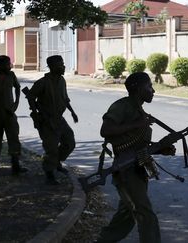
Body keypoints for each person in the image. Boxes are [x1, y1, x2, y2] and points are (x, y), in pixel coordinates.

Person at [95, 72, 176, 243]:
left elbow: (136, 144)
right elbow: (106, 130)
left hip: (137, 169)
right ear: (138, 89)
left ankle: (103, 240)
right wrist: (137, 124)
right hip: (125, 170)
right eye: (149, 86)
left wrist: (162, 149)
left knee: (127, 215)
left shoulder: (139, 110)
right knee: (145, 214)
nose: (153, 90)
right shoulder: (122, 106)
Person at [25, 55, 78, 185]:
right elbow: (31, 97)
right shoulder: (42, 82)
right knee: (51, 148)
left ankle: (57, 162)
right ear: (52, 67)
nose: (63, 67)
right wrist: (35, 113)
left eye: (63, 64)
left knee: (69, 142)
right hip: (46, 120)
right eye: (60, 64)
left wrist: (72, 112)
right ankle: (49, 174)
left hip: (59, 119)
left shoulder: (62, 80)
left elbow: (65, 98)